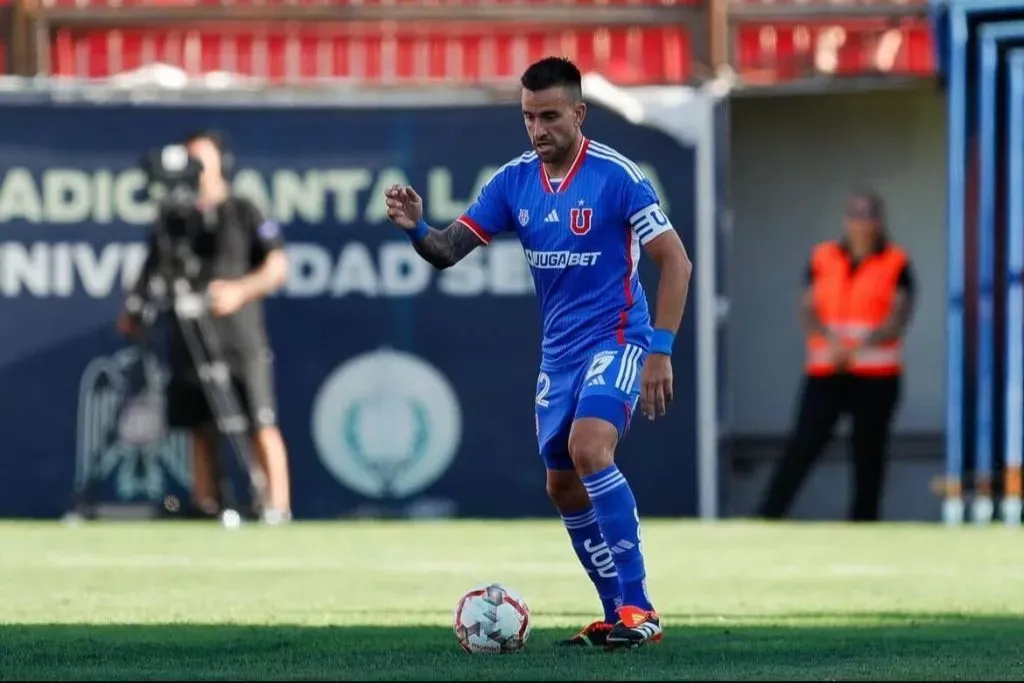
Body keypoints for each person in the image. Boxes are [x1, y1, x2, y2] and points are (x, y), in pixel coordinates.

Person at [384, 57, 692, 649]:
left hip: (620, 337)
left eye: (550, 116)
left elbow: (674, 261)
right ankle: (615, 615)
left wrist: (661, 350)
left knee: (588, 446)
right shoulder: (513, 181)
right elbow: (449, 250)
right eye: (528, 117)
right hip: (560, 355)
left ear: (579, 113)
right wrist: (418, 229)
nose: (538, 129)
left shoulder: (617, 176)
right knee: (562, 486)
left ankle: (641, 609)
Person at [118, 129, 293, 525]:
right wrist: (133, 308)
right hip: (189, 332)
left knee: (259, 421)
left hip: (239, 335)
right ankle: (207, 503)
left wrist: (239, 291)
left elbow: (277, 266)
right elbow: (152, 269)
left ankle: (276, 507)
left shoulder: (244, 209)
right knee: (200, 426)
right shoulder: (174, 219)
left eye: (201, 158)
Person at [757, 190, 915, 522]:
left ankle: (864, 524)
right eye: (855, 215)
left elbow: (899, 317)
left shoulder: (896, 262)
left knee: (868, 453)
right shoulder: (823, 257)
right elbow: (808, 308)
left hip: (876, 375)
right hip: (827, 370)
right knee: (803, 444)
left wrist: (858, 344)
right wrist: (832, 342)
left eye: (868, 216)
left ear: (879, 221)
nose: (860, 224)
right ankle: (768, 518)